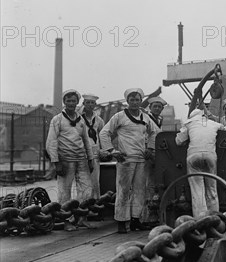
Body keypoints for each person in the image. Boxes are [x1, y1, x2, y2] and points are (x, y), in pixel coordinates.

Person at [99, 88, 159, 233]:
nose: (134, 102)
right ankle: (121, 221)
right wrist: (112, 151)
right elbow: (104, 133)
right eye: (131, 100)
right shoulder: (119, 116)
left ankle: (135, 220)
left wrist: (150, 149)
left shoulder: (145, 117)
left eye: (137, 99)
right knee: (123, 190)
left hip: (141, 159)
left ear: (140, 101)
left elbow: (155, 132)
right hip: (125, 159)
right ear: (127, 101)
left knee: (140, 191)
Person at [46, 90, 94, 231]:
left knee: (86, 190)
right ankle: (65, 221)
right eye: (68, 101)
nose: (71, 103)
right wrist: (56, 162)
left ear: (77, 102)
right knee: (64, 192)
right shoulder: (57, 120)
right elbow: (51, 142)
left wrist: (90, 159)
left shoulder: (81, 120)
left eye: (74, 101)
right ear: (64, 102)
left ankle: (80, 218)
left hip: (81, 159)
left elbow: (86, 141)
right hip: (65, 160)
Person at [175, 107, 226, 216]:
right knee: (212, 189)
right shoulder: (213, 123)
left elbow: (179, 141)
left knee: (197, 191)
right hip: (210, 156)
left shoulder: (188, 123)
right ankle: (215, 217)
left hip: (194, 156)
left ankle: (200, 219)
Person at [141, 96, 167, 225]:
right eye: (155, 106)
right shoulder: (146, 119)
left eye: (159, 107)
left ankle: (155, 213)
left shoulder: (160, 120)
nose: (157, 108)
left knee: (156, 184)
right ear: (150, 108)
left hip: (158, 155)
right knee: (149, 184)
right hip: (147, 154)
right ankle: (146, 216)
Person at [80, 93, 105, 206]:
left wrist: (102, 150)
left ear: (95, 104)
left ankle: (94, 207)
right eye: (87, 102)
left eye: (92, 103)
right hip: (81, 153)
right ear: (83, 104)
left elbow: (103, 135)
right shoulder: (78, 118)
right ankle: (82, 207)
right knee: (83, 183)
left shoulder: (98, 120)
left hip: (95, 154)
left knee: (95, 182)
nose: (90, 105)